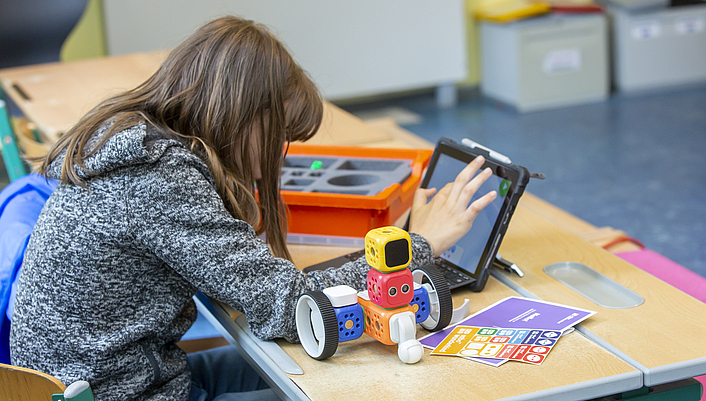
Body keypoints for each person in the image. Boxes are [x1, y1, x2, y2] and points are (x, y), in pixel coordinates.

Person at [9, 16, 496, 401]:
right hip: (127, 392)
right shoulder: (158, 179)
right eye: (280, 136)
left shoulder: (134, 139)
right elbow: (289, 306)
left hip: (120, 379)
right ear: (242, 115)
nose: (280, 153)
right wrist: (418, 245)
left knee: (314, 371)